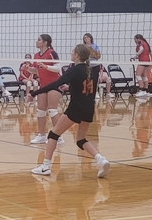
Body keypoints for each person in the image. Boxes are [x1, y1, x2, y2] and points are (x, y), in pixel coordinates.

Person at [29, 43, 110, 178]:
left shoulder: (74, 69)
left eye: (72, 52)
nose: (71, 54)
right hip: (89, 107)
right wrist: (70, 87)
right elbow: (86, 87)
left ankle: (45, 167)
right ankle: (100, 159)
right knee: (80, 139)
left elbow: (55, 84)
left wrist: (34, 93)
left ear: (77, 55)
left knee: (53, 134)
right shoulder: (91, 70)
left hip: (76, 107)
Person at [31, 34, 62, 144]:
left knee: (52, 110)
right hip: (43, 86)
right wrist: (29, 69)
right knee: (40, 111)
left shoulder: (51, 53)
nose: (36, 41)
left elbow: (58, 68)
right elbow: (37, 70)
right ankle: (42, 135)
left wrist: (46, 66)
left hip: (54, 85)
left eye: (39, 40)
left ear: (45, 42)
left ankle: (58, 136)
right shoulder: (36, 55)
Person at [83, 33, 110, 99]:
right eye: (85, 38)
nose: (86, 39)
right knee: (87, 79)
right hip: (87, 65)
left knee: (95, 80)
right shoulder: (83, 47)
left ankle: (95, 93)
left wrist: (91, 51)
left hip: (95, 65)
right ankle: (88, 93)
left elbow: (98, 56)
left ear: (90, 38)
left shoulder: (95, 46)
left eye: (87, 37)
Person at [133, 34, 152, 98]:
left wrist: (136, 55)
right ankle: (146, 91)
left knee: (138, 75)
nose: (134, 41)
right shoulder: (146, 44)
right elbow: (150, 53)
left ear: (138, 39)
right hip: (147, 61)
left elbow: (141, 49)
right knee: (144, 76)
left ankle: (141, 90)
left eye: (135, 39)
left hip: (143, 61)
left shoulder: (140, 42)